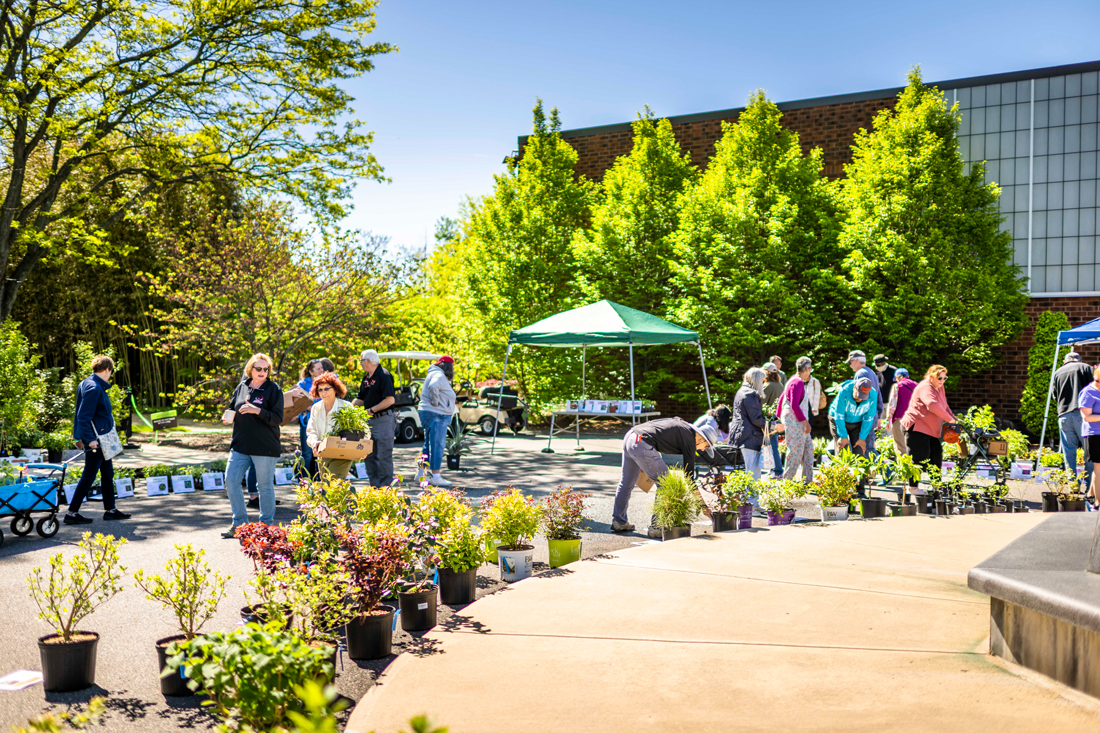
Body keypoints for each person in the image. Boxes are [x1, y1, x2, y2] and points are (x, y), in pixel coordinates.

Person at [610, 417, 718, 535]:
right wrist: (703, 506)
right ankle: (656, 527)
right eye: (706, 446)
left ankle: (619, 521)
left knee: (626, 482)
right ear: (701, 438)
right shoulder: (690, 439)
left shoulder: (682, 426)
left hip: (631, 436)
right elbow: (689, 478)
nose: (703, 449)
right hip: (642, 442)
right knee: (666, 483)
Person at [221, 353, 284, 538]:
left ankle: (266, 528)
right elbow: (232, 408)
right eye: (259, 369)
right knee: (231, 481)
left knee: (264, 487)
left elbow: (278, 418)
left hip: (265, 446)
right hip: (240, 445)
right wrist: (227, 417)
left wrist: (257, 410)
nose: (262, 372)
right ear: (251, 369)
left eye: (266, 369)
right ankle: (239, 525)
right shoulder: (242, 386)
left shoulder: (274, 390)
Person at [64, 356, 130, 524]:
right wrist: (89, 439)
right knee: (89, 476)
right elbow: (83, 416)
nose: (111, 375)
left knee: (107, 473)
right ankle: (71, 513)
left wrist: (78, 436)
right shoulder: (94, 388)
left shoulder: (86, 383)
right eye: (111, 372)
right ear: (107, 369)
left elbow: (78, 412)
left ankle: (110, 510)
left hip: (101, 439)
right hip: (98, 440)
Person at [900, 365, 956, 495]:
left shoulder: (940, 387)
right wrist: (949, 419)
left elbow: (944, 405)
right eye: (939, 377)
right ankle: (913, 488)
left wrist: (953, 418)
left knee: (936, 455)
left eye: (944, 378)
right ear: (931, 376)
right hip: (917, 426)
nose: (942, 380)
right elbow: (931, 404)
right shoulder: (926, 387)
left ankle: (936, 486)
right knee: (918, 457)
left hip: (930, 428)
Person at [353, 349, 396, 487]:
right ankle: (374, 486)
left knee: (384, 456)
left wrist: (371, 410)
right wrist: (347, 409)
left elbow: (390, 400)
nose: (360, 364)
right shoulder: (367, 378)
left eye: (361, 361)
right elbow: (360, 398)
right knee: (369, 455)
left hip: (383, 419)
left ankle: (386, 489)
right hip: (370, 421)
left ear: (369, 361)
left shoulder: (384, 375)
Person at [828, 376, 878, 496]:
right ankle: (842, 491)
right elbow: (839, 415)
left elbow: (869, 417)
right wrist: (843, 436)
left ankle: (859, 491)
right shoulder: (844, 391)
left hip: (857, 422)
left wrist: (862, 438)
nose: (860, 399)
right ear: (855, 388)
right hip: (838, 420)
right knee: (843, 452)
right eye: (858, 395)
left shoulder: (872, 395)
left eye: (863, 397)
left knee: (859, 452)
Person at [1054, 351, 1095, 492]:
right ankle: (1090, 485)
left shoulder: (1058, 372)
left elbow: (1055, 395)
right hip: (1083, 415)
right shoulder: (1087, 368)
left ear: (1065, 361)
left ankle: (1073, 485)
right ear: (1079, 359)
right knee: (1090, 451)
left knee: (1068, 452)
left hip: (1063, 416)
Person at [418, 355, 457, 487]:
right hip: (437, 414)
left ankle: (422, 472)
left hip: (429, 413)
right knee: (437, 445)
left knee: (428, 443)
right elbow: (434, 386)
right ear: (448, 367)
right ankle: (435, 476)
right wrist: (436, 402)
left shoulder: (434, 373)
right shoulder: (439, 375)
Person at [306, 372, 354, 479]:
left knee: (333, 485)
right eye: (320, 390)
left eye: (327, 389)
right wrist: (314, 443)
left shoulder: (346, 406)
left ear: (335, 389)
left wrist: (361, 449)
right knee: (327, 489)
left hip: (342, 454)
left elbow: (362, 429)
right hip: (322, 454)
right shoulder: (316, 408)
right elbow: (311, 431)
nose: (323, 393)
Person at [779, 357, 814, 482]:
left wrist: (779, 417)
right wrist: (806, 423)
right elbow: (794, 405)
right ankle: (787, 481)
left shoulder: (791, 380)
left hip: (797, 423)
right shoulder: (797, 382)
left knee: (809, 450)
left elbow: (781, 401)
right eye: (810, 370)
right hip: (796, 423)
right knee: (795, 453)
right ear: (807, 369)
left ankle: (808, 480)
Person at [730, 367, 767, 480]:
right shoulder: (751, 394)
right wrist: (773, 426)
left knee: (749, 473)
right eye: (763, 380)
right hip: (750, 437)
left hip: (742, 436)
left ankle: (748, 498)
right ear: (757, 380)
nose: (764, 384)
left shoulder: (741, 391)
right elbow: (756, 419)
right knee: (753, 475)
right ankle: (751, 498)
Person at [847, 350, 883, 454]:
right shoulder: (871, 372)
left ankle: (885, 470)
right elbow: (878, 396)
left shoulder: (860, 373)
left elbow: (859, 397)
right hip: (872, 415)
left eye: (850, 362)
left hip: (864, 417)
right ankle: (880, 469)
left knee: (864, 449)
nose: (850, 366)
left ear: (856, 361)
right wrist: (878, 415)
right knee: (867, 447)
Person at [1077, 363, 1100, 510]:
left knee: (1098, 469)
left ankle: (1091, 496)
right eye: (1098, 381)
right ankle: (1098, 503)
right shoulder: (1087, 392)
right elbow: (1086, 416)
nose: (1098, 384)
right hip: (1094, 434)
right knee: (1098, 469)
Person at [884, 367, 917, 457]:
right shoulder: (917, 386)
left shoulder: (897, 386)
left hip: (900, 419)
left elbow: (892, 405)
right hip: (916, 420)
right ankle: (915, 468)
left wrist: (888, 420)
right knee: (914, 446)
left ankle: (903, 468)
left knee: (901, 446)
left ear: (898, 377)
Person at [762, 364, 784, 478]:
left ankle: (778, 470)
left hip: (769, 419)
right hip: (778, 418)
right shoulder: (780, 385)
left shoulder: (767, 386)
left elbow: (761, 403)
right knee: (773, 444)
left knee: (772, 446)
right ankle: (774, 469)